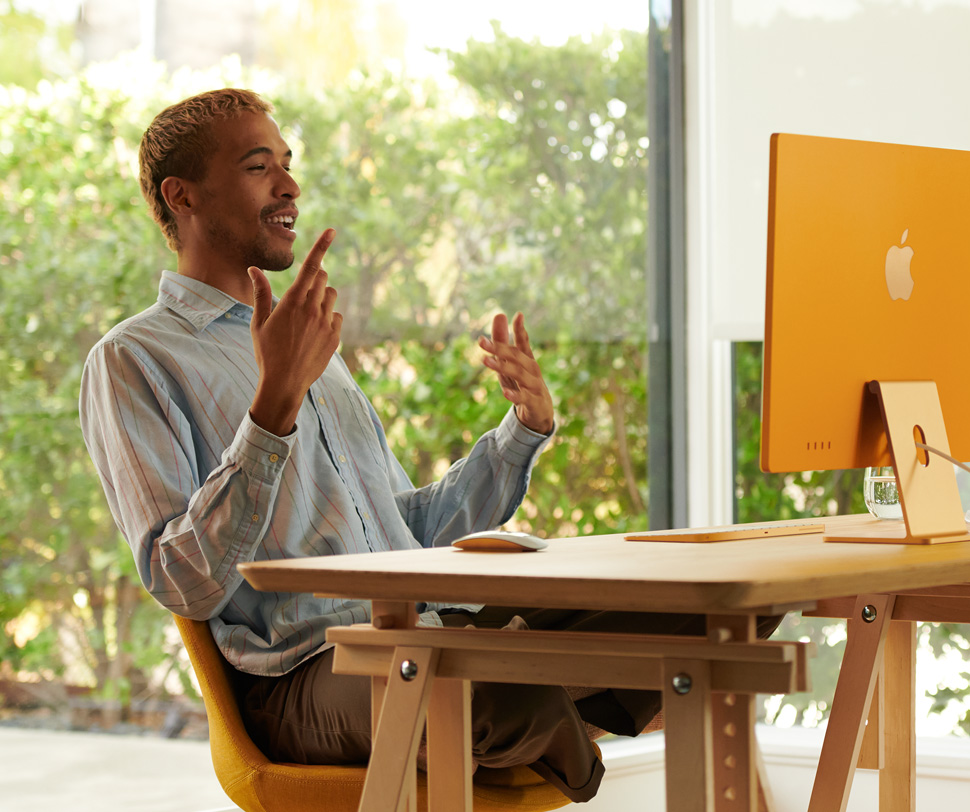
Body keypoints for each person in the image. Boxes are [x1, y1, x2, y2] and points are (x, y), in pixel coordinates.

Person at [79, 88, 776, 802]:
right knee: (492, 692)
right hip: (306, 674)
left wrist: (521, 433)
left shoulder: (307, 340)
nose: (290, 185)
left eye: (287, 163)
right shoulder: (133, 358)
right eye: (260, 166)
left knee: (718, 607)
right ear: (182, 196)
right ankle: (553, 709)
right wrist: (273, 411)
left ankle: (538, 704)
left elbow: (406, 534)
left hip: (424, 627)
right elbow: (179, 579)